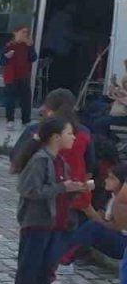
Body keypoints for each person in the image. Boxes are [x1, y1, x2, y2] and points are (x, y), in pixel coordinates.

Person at [13, 118, 86, 284]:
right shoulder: (41, 160)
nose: (73, 137)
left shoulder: (59, 160)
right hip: (36, 219)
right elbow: (30, 189)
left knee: (44, 264)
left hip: (54, 221)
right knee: (30, 263)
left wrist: (74, 189)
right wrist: (63, 188)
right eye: (69, 133)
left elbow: (59, 190)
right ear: (55, 137)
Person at [10, 89, 95, 224]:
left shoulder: (36, 130)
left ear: (47, 107)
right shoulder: (84, 132)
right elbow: (90, 166)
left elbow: (17, 157)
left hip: (42, 201)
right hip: (74, 198)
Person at [59, 161, 127, 266]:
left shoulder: (121, 203)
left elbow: (116, 227)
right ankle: (65, 252)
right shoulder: (111, 197)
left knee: (93, 227)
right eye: (108, 177)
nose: (107, 180)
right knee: (82, 221)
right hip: (116, 238)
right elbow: (103, 219)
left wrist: (91, 212)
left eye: (112, 178)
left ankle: (64, 255)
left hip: (123, 244)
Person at [3, 26, 37, 129]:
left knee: (26, 99)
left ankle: (25, 121)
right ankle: (10, 120)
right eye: (23, 32)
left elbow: (33, 58)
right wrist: (6, 57)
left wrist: (31, 46)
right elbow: (2, 62)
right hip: (11, 76)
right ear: (15, 33)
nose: (25, 35)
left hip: (24, 76)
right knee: (10, 100)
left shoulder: (27, 46)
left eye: (26, 33)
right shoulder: (9, 45)